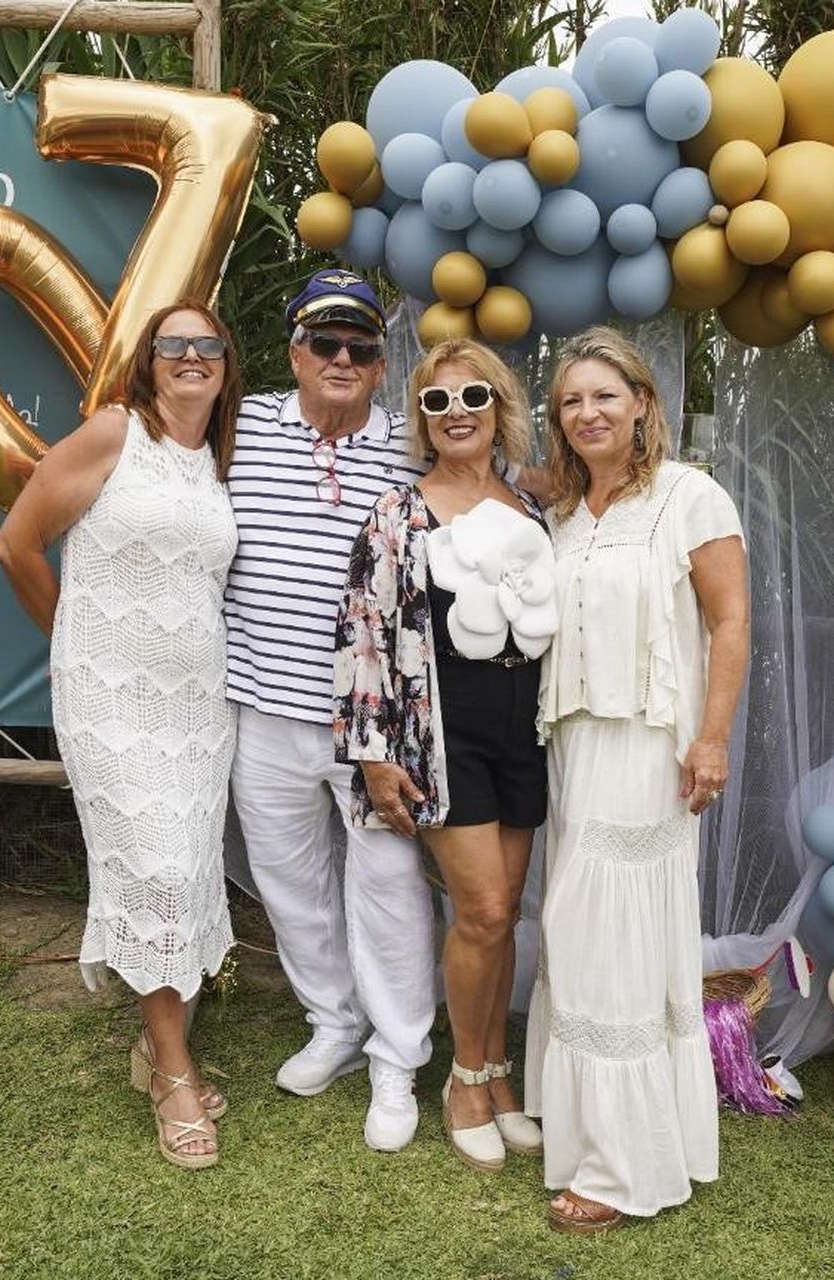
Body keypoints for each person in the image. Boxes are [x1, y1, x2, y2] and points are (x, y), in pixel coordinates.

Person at [0, 300, 241, 1170]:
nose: (189, 355)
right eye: (172, 343)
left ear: (224, 363)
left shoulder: (214, 463)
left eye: (206, 344)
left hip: (201, 710)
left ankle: (155, 1044)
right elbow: (16, 544)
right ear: (149, 361)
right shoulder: (113, 435)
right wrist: (77, 647)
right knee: (157, 870)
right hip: (112, 706)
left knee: (189, 869)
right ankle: (173, 1073)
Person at [524, 327, 750, 1232]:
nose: (588, 414)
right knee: (572, 924)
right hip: (573, 745)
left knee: (612, 930)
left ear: (643, 403)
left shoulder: (689, 496)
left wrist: (714, 738)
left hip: (650, 748)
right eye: (571, 402)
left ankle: (622, 1167)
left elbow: (731, 623)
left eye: (604, 397)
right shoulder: (565, 515)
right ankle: (578, 1118)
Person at [224, 269, 435, 1153]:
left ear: (383, 364)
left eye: (362, 347)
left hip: (372, 725)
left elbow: (493, 496)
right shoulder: (237, 429)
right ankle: (335, 1023)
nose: (342, 359)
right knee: (292, 884)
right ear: (294, 354)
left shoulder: (415, 443)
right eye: (325, 343)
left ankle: (397, 1057)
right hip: (260, 708)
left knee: (388, 890)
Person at [335, 339, 555, 1172]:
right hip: (440, 732)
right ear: (422, 422)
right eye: (437, 401)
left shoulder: (536, 513)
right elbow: (360, 636)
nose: (457, 412)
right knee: (485, 913)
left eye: (473, 397)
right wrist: (371, 754)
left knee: (508, 914)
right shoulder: (398, 513)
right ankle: (464, 1080)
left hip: (523, 728)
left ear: (500, 409)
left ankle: (498, 1073)